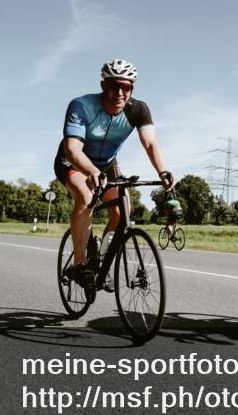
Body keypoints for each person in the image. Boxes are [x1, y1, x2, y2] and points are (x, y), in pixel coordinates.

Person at [54, 60, 174, 292]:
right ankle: (80, 265)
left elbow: (150, 144)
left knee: (122, 212)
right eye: (114, 86)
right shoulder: (81, 105)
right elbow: (72, 149)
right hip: (73, 162)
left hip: (107, 165)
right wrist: (91, 171)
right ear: (103, 85)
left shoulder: (138, 110)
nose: (120, 92)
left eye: (126, 87)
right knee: (86, 195)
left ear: (132, 89)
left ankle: (104, 261)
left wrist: (163, 172)